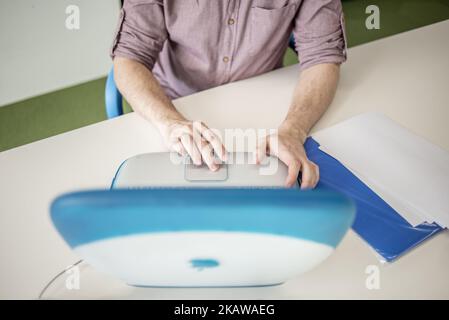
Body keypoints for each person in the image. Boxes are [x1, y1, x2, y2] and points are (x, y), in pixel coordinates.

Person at [111, 0, 347, 189]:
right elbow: (129, 59)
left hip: (263, 107)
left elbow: (323, 56)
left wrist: (294, 129)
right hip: (172, 105)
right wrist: (169, 122)